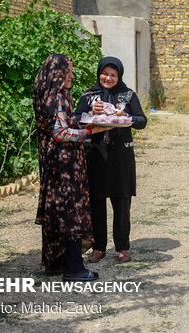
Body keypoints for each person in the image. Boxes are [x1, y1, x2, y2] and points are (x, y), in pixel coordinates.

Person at [33, 53, 110, 281]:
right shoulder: (55, 98)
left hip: (57, 162)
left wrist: (88, 120)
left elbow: (65, 123)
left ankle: (57, 262)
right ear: (57, 73)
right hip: (62, 164)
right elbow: (60, 133)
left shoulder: (53, 95)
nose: (72, 75)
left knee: (57, 211)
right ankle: (74, 269)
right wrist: (90, 132)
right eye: (68, 71)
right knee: (70, 211)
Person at [75, 56, 147, 263]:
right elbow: (77, 119)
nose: (108, 78)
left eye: (113, 75)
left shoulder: (127, 95)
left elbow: (142, 121)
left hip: (121, 157)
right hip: (95, 156)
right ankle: (98, 247)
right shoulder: (89, 96)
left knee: (121, 202)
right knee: (96, 202)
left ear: (120, 76)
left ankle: (123, 247)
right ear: (99, 73)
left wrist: (126, 117)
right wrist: (91, 112)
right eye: (105, 73)